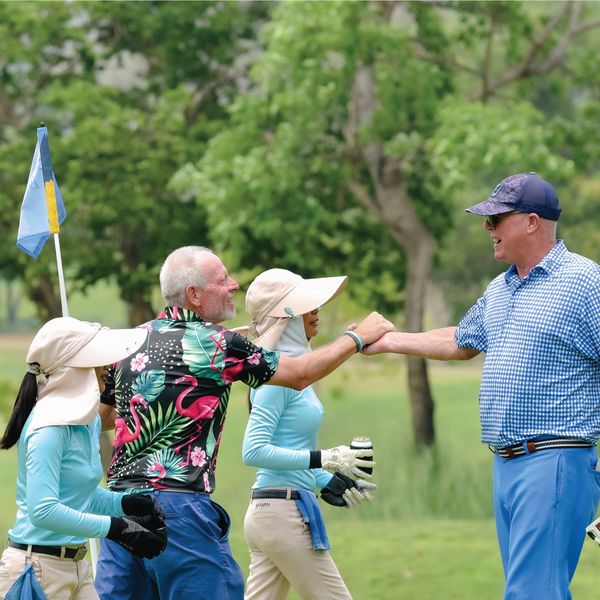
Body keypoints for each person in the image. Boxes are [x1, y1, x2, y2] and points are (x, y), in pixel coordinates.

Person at [94, 246, 393, 600]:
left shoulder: (130, 341)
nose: (234, 284)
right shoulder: (217, 344)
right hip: (178, 511)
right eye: (223, 280)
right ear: (194, 294)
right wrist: (356, 338)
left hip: (119, 507)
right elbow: (298, 375)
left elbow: (106, 419)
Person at [364, 172, 600, 600]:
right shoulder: (501, 286)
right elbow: (461, 340)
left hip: (556, 460)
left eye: (496, 218)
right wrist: (386, 341)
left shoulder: (586, 282)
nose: (487, 228)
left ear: (531, 222)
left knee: (532, 594)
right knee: (533, 590)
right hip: (507, 465)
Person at [0, 317, 168, 600]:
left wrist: (124, 504)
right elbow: (43, 510)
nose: (107, 370)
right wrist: (116, 528)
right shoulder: (48, 429)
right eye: (99, 362)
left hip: (76, 567)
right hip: (36, 570)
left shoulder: (85, 422)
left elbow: (82, 498)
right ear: (77, 369)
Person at [241, 268, 377, 600]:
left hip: (273, 512)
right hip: (282, 515)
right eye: (306, 306)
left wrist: (322, 479)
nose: (316, 311)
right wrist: (326, 458)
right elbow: (253, 451)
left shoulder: (288, 371)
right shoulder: (277, 377)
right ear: (284, 318)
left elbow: (284, 446)